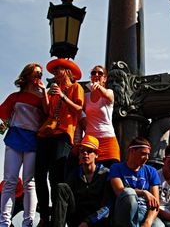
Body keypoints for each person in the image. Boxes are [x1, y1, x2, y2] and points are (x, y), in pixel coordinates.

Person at [35, 58, 84, 227]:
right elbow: (48, 110)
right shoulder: (53, 89)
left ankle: (58, 219)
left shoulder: (76, 87)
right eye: (54, 70)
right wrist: (44, 93)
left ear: (66, 71)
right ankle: (43, 215)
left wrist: (63, 96)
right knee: (39, 174)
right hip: (46, 134)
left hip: (63, 134)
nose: (54, 73)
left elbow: (78, 109)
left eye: (58, 70)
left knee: (55, 177)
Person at [0, 63, 49, 227]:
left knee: (29, 182)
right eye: (36, 74)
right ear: (27, 75)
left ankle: (27, 223)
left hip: (33, 140)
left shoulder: (42, 97)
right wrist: (3, 124)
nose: (38, 77)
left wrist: (44, 94)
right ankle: (4, 222)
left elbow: (49, 113)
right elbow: (4, 116)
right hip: (14, 138)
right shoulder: (15, 97)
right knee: (9, 181)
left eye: (40, 75)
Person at [51, 134, 112, 227]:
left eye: (89, 151)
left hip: (97, 220)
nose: (85, 153)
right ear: (79, 155)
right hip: (77, 219)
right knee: (61, 187)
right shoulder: (74, 174)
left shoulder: (106, 174)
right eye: (82, 151)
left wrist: (88, 221)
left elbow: (107, 206)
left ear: (96, 154)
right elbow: (66, 201)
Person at [109, 137, 160, 227]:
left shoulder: (151, 171)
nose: (147, 158)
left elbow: (156, 204)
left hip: (145, 213)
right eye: (143, 154)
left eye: (148, 154)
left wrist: (148, 222)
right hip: (124, 212)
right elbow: (120, 191)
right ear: (132, 151)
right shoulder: (116, 168)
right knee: (129, 192)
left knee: (159, 226)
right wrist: (144, 192)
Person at [84, 65, 120, 168]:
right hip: (90, 140)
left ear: (105, 78)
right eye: (93, 73)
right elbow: (78, 110)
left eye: (100, 73)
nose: (96, 75)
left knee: (112, 173)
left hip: (108, 139)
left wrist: (98, 87)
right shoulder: (86, 97)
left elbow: (107, 95)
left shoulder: (109, 92)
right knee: (89, 173)